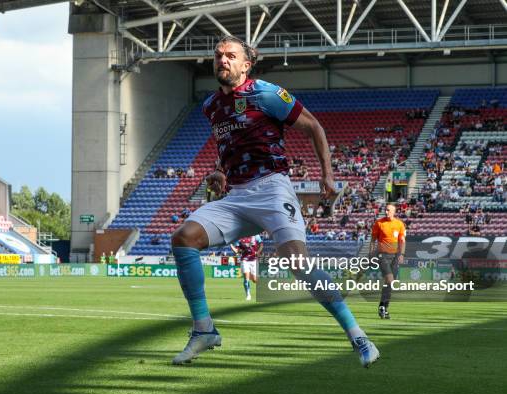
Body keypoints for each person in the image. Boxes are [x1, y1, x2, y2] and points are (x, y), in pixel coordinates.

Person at [170, 35, 379, 367]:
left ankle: (358, 335)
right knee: (183, 238)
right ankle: (204, 330)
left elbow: (314, 127)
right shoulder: (211, 106)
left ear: (246, 64)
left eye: (230, 55)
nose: (222, 59)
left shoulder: (266, 93)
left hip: (271, 188)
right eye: (218, 55)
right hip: (236, 195)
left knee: (298, 263)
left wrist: (327, 175)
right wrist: (221, 170)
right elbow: (231, 143)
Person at [370, 204, 406, 320]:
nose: (386, 212)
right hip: (382, 255)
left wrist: (401, 254)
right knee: (389, 279)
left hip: (395, 255)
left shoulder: (399, 224)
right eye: (385, 210)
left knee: (390, 282)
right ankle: (383, 306)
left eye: (388, 210)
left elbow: (402, 241)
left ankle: (384, 307)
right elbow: (373, 240)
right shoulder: (379, 223)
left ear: (394, 212)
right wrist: (371, 254)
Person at [230, 235, 263, 300]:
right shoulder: (240, 238)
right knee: (246, 278)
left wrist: (258, 252)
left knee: (254, 280)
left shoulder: (256, 236)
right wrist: (230, 245)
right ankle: (248, 295)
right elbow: (237, 251)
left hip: (254, 260)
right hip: (244, 260)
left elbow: (261, 244)